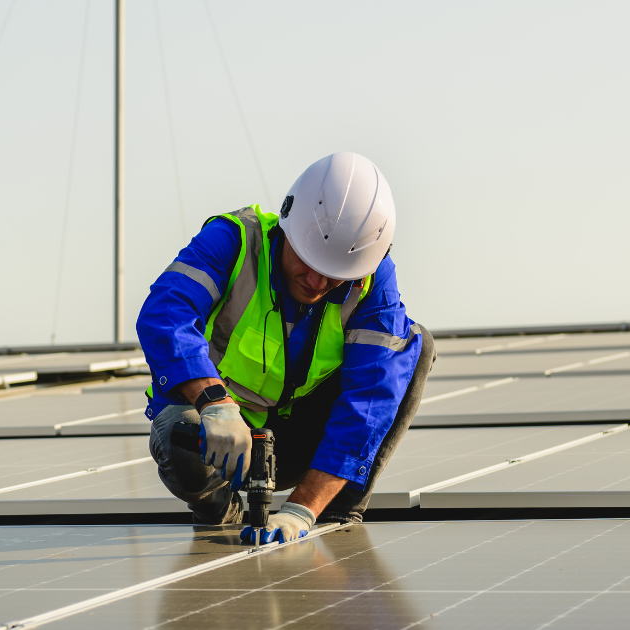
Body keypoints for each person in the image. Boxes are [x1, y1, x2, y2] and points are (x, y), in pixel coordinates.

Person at [138, 151, 435, 544]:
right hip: (219, 436)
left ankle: (333, 509)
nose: (314, 281)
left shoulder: (370, 283)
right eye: (307, 260)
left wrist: (302, 508)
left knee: (413, 347)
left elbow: (372, 398)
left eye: (333, 275)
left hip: (303, 445)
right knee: (180, 433)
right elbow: (165, 314)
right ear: (288, 227)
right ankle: (221, 512)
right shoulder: (234, 241)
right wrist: (213, 401)